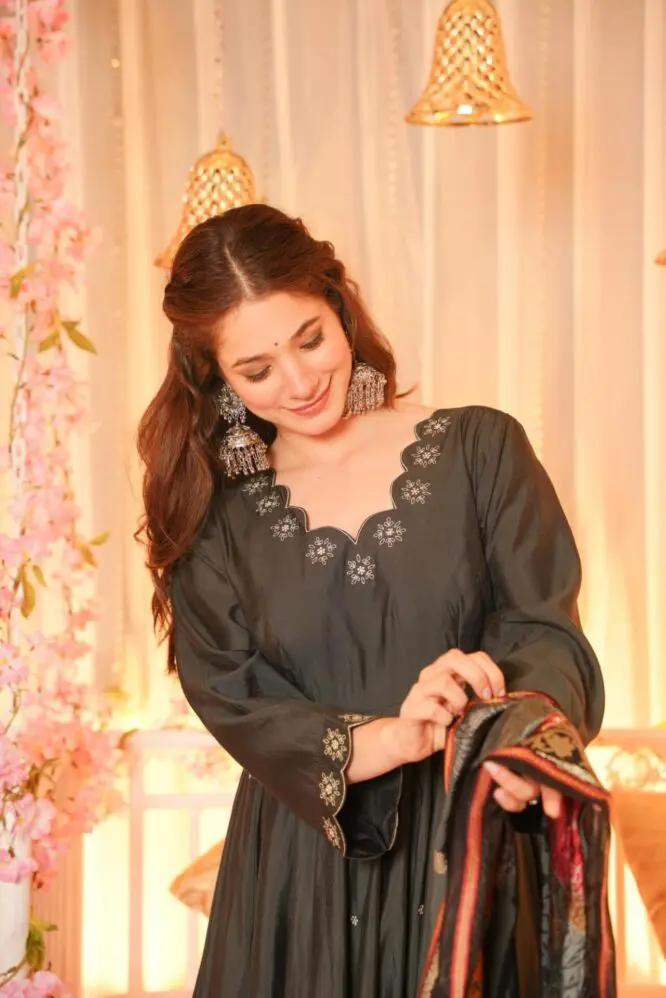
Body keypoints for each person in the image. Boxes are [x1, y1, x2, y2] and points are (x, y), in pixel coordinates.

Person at [136, 204, 607, 998]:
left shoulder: (481, 450)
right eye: (257, 370)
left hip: (470, 842)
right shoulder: (215, 515)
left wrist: (518, 747)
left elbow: (544, 630)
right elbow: (231, 694)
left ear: (338, 304)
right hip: (298, 877)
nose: (299, 381)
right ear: (218, 377)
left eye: (310, 339)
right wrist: (390, 736)